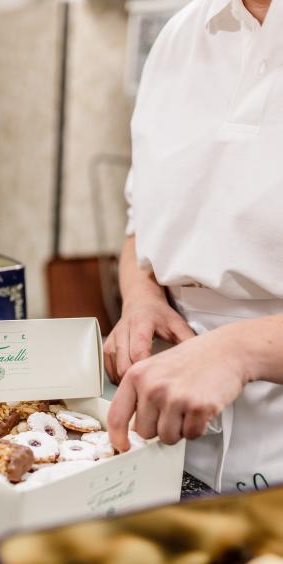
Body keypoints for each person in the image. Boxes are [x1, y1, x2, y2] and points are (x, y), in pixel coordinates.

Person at [105, 0, 283, 493]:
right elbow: (143, 219)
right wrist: (142, 298)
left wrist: (239, 352)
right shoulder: (180, 34)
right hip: (171, 446)